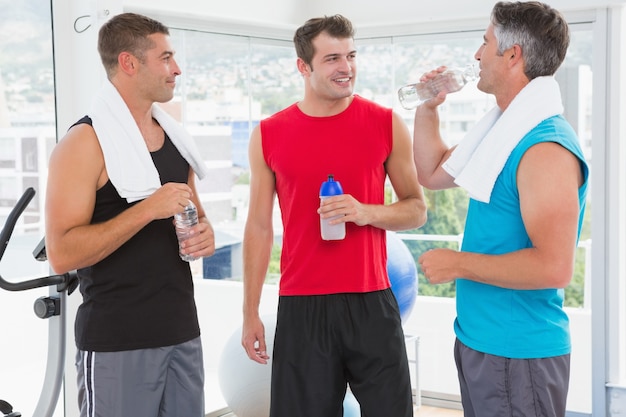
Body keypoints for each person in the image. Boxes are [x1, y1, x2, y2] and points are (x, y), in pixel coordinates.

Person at [241, 14, 427, 417]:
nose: (346, 68)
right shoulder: (269, 133)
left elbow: (416, 209)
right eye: (332, 59)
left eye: (351, 55)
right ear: (303, 67)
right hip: (302, 305)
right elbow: (258, 226)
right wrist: (249, 311)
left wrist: (365, 212)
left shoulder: (385, 123)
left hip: (371, 302)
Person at [412, 2, 589, 417]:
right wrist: (427, 107)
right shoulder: (504, 131)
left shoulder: (544, 147)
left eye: (485, 42)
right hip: (484, 341)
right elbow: (432, 172)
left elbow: (554, 267)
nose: (477, 54)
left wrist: (457, 265)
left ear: (513, 55)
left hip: (517, 351)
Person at [44, 12, 215, 417]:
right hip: (116, 341)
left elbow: (195, 216)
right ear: (128, 63)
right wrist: (145, 210)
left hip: (182, 332)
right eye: (166, 57)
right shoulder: (84, 143)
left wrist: (204, 234)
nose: (177, 69)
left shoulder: (176, 138)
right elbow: (62, 253)